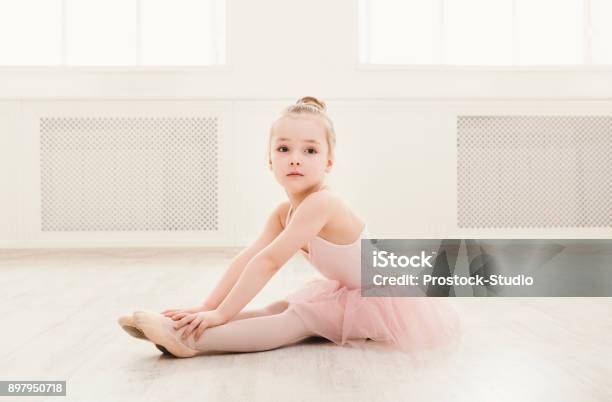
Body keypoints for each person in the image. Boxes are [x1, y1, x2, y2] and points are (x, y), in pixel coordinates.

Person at [118, 96, 462, 358]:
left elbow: (270, 262)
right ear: (270, 160)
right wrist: (206, 307)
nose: (295, 157)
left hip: (380, 299)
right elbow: (250, 258)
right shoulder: (284, 212)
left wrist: (222, 314)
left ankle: (193, 341)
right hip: (349, 289)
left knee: (296, 320)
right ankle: (179, 327)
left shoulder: (322, 204)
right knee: (278, 307)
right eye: (284, 148)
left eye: (309, 150)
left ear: (328, 162)